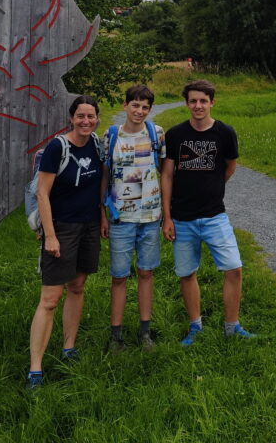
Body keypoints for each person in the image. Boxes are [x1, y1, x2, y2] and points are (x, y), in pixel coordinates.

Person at [161, 79, 253, 344]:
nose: (198, 105)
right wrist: (167, 217)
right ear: (186, 103)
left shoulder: (225, 133)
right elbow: (166, 176)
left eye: (203, 100)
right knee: (187, 273)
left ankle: (232, 326)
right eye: (193, 101)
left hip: (215, 216)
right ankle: (195, 326)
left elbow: (230, 166)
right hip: (182, 217)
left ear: (212, 102)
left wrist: (212, 186)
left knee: (234, 269)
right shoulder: (176, 134)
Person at [27, 95, 107, 389]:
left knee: (77, 287)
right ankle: (35, 368)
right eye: (80, 116)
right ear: (71, 118)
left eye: (91, 116)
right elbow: (42, 193)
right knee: (49, 299)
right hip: (61, 228)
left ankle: (68, 348)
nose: (86, 121)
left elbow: (99, 182)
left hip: (88, 226)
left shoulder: (97, 145)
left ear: (97, 118)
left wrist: (101, 216)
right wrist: (49, 234)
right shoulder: (57, 147)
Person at [101, 84, 165, 352]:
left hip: (150, 217)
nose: (140, 111)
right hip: (120, 219)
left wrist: (167, 215)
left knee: (146, 273)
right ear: (125, 105)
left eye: (145, 107)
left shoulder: (156, 133)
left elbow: (165, 173)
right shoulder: (111, 135)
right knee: (119, 276)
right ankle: (116, 335)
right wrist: (101, 215)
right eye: (135, 105)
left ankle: (145, 331)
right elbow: (104, 177)